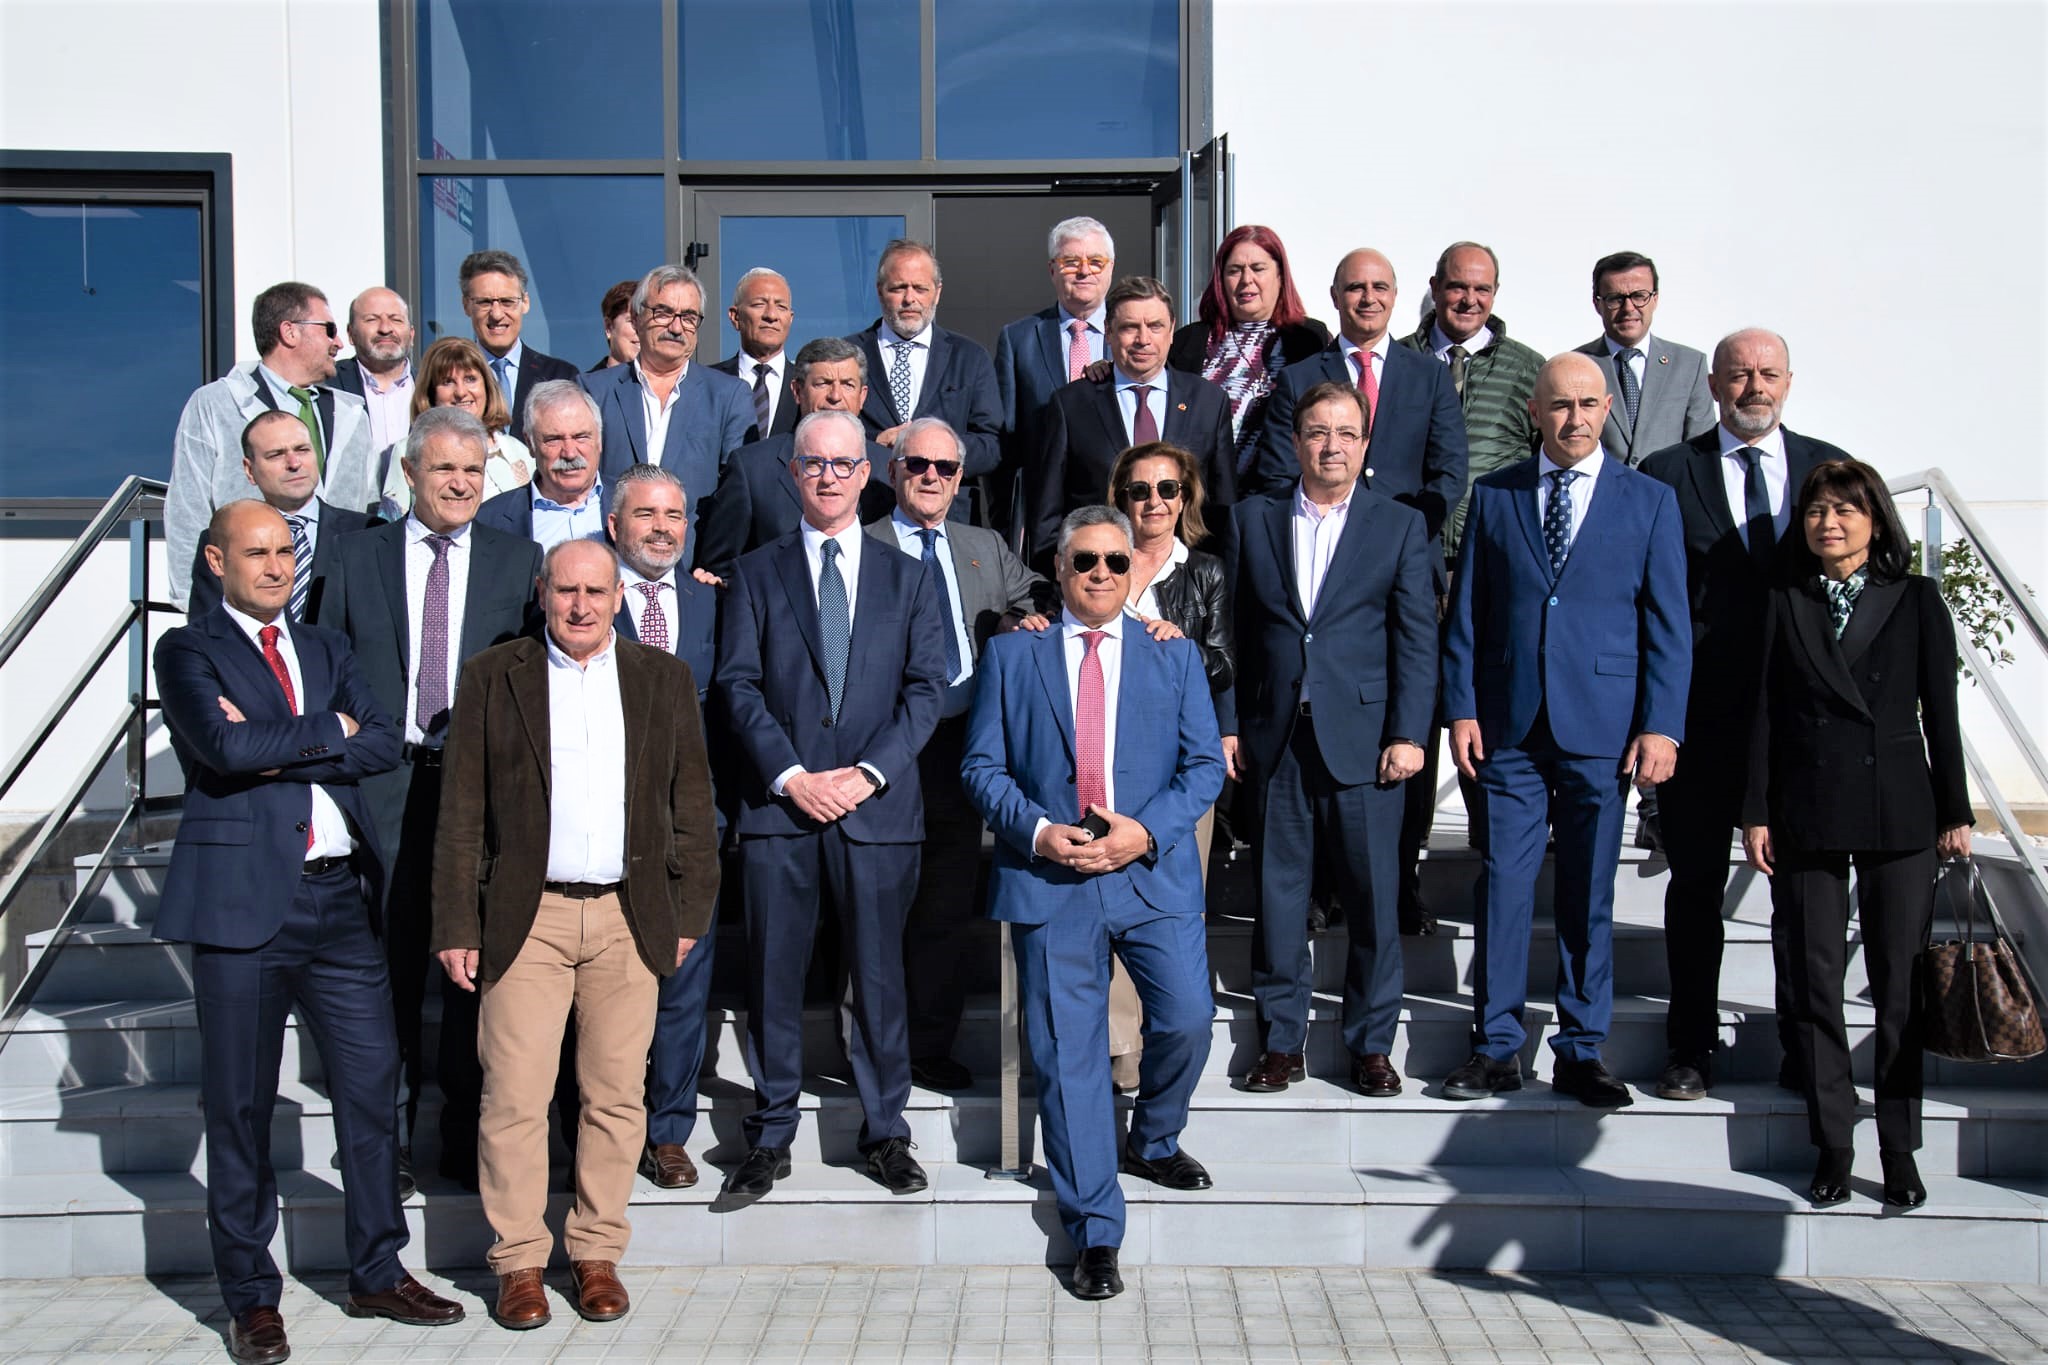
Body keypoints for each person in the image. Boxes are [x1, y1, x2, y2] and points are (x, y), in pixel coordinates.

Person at [156, 500, 463, 1364]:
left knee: (372, 1090)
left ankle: (378, 1270)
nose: (275, 566)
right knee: (241, 1107)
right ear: (216, 560)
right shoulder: (186, 650)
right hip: (242, 906)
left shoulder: (326, 647)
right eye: (255, 552)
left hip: (340, 905)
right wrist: (329, 730)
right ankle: (252, 1299)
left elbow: (382, 744)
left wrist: (277, 741)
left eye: (284, 553)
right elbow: (221, 748)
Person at [432, 538, 719, 1328]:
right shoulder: (494, 675)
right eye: (566, 590)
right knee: (514, 1096)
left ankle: (596, 1252)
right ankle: (519, 1262)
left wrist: (688, 913)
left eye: (596, 590)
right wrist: (457, 921)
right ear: (543, 593)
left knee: (616, 1096)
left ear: (619, 597)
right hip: (527, 917)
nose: (581, 605)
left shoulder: (663, 678)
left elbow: (692, 807)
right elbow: (460, 813)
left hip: (629, 916)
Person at [960, 505, 1225, 1301]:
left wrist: (1144, 833)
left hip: (1149, 875)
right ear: (1060, 568)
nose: (1101, 573)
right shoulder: (1014, 654)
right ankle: (1095, 1229)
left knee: (1188, 1016)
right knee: (1068, 1055)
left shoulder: (1173, 655)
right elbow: (981, 767)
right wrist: (1038, 832)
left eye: (1115, 560)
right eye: (1085, 561)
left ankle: (1154, 1137)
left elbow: (1204, 767)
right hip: (1053, 880)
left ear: (1133, 569)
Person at [1440, 353, 1689, 1109]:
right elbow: (1468, 613)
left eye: (1587, 404)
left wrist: (1661, 726)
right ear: (1534, 412)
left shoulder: (1648, 501)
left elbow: (1668, 625)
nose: (1575, 418)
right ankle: (1496, 1046)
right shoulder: (1496, 493)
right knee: (1504, 884)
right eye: (1559, 405)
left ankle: (1581, 1048)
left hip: (1603, 727)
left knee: (1587, 891)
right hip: (1509, 726)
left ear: (1607, 407)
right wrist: (1461, 707)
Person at [714, 409, 950, 1201]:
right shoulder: (755, 571)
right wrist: (790, 775)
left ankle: (885, 1131)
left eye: (844, 463)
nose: (828, 476)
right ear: (792, 472)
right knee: (773, 977)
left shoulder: (908, 577)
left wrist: (869, 773)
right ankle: (770, 1132)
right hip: (781, 810)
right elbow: (737, 684)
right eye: (813, 462)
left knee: (880, 980)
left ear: (867, 473)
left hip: (876, 812)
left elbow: (927, 689)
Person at [321, 407, 544, 1192]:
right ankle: (385, 1143)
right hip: (382, 784)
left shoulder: (519, 560)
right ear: (410, 472)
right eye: (444, 467)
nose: (459, 482)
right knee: (385, 970)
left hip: (476, 791)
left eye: (473, 470)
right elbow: (328, 664)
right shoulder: (355, 557)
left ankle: (460, 1137)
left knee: (469, 971)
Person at [1742, 460, 1969, 1211]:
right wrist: (1756, 810)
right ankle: (1833, 1144)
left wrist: (1956, 812)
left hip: (1898, 810)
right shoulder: (1786, 598)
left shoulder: (1917, 598)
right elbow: (1764, 711)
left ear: (1875, 520)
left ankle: (1899, 1149)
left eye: (1845, 509)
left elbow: (1942, 711)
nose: (1829, 522)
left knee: (1899, 987)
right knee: (1814, 985)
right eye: (1816, 510)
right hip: (1805, 806)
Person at [1638, 328, 1851, 1099]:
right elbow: (1647, 599)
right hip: (1700, 717)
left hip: (1802, 723)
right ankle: (1690, 1047)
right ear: (1714, 385)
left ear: (1788, 381)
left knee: (1802, 897)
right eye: (1738, 374)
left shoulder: (1829, 468)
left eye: (1767, 373)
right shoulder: (1668, 472)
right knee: (1695, 886)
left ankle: (1807, 1049)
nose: (1753, 386)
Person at [1223, 382, 1436, 1098]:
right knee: (1279, 897)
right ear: (1295, 442)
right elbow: (1233, 633)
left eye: (1346, 433)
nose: (1332, 446)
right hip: (1276, 738)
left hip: (1367, 744)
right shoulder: (1253, 519)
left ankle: (1372, 1045)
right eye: (1318, 432)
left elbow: (1416, 640)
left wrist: (1408, 732)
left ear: (1365, 443)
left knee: (1373, 899)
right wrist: (1229, 724)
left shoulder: (1398, 525)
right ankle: (1281, 1043)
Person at [864, 417, 1052, 1091]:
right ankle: (874, 1051)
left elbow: (1040, 594)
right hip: (885, 746)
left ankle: (928, 1045)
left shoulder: (984, 545)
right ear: (893, 471)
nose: (931, 477)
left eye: (945, 468)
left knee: (944, 905)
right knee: (880, 907)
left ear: (961, 478)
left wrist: (1021, 620)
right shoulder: (862, 543)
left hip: (962, 742)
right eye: (918, 464)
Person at [1394, 241, 1544, 927]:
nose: (1469, 300)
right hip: (1413, 570)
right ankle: (1402, 879)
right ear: (1435, 287)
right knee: (1412, 728)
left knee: (1489, 726)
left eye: (1483, 290)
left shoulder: (1526, 369)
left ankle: (1498, 875)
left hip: (1491, 577)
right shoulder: (1400, 360)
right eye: (1458, 287)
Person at [604, 463, 723, 1191]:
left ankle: (669, 1131)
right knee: (607, 987)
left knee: (684, 980)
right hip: (606, 820)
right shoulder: (587, 595)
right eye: (645, 514)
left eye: (674, 515)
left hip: (692, 822)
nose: (661, 529)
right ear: (614, 524)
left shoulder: (715, 602)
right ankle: (603, 1126)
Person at [1108, 439, 1233, 1089]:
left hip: (1179, 762)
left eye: (1167, 489)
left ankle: (1171, 1040)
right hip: (1102, 755)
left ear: (1185, 499)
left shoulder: (1204, 570)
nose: (1153, 501)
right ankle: (1119, 1046)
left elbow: (1226, 660)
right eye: (1139, 490)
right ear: (1120, 498)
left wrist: (1181, 645)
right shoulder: (1098, 558)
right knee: (1110, 897)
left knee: (1173, 902)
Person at [167, 281, 379, 608]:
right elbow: (188, 508)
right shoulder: (216, 403)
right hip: (245, 602)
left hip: (335, 605)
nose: (338, 343)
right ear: (289, 332)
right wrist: (194, 603)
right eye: (329, 329)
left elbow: (366, 506)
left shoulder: (352, 413)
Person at [1248, 249, 1469, 546]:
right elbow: (1279, 473)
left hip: (1408, 550)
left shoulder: (1431, 376)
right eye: (1356, 288)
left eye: (1379, 287)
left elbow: (1450, 471)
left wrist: (1409, 533)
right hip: (1322, 547)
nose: (1369, 298)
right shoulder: (1298, 379)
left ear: (1394, 295)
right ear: (1335, 296)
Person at [1030, 275, 1235, 565]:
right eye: (1130, 327)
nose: (1143, 339)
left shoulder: (1209, 402)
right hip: (1099, 575)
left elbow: (1224, 507)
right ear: (1108, 331)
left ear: (1172, 330)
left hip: (1186, 577)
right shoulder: (1070, 405)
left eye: (1155, 326)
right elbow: (1047, 514)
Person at [583, 263, 755, 566]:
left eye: (688, 317)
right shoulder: (594, 391)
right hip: (606, 567)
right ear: (636, 317)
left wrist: (714, 567)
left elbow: (736, 499)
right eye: (663, 313)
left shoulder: (728, 396)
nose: (676, 328)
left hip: (691, 571)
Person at [690, 336, 894, 583]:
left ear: (863, 396)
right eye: (822, 383)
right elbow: (719, 571)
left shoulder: (888, 468)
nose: (835, 396)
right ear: (797, 391)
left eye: (847, 384)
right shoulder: (751, 469)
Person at [847, 238, 1002, 518]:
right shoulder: (848, 356)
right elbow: (829, 432)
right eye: (898, 288)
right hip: (869, 513)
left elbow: (991, 446)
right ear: (880, 291)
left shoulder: (970, 357)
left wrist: (933, 449)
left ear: (937, 292)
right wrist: (875, 445)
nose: (910, 299)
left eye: (920, 288)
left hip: (949, 518)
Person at [1168, 224, 1330, 479]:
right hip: (1206, 492)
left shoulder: (1309, 339)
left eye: (1258, 268)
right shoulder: (1188, 342)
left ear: (1280, 275)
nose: (1246, 280)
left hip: (1281, 490)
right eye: (1235, 270)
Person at [992, 217, 1118, 535]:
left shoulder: (1131, 338)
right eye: (1071, 262)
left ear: (1111, 268)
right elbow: (1006, 442)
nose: (1084, 271)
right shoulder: (1018, 339)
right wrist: (1005, 523)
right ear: (1052, 269)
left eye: (1096, 261)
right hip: (1044, 517)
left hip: (1116, 510)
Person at [187, 411, 375, 623]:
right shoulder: (221, 538)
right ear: (249, 470)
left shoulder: (368, 532)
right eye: (276, 455)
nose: (294, 463)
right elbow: (207, 629)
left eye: (302, 450)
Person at [1574, 251, 1715, 467]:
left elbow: (1700, 450)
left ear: (1655, 299)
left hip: (1667, 487)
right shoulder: (1576, 365)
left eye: (1639, 296)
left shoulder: (1690, 365)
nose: (1628, 308)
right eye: (1615, 298)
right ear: (1597, 304)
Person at [381, 337, 533, 518]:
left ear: (486, 386)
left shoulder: (517, 451)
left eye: (470, 379)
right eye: (447, 382)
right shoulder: (406, 450)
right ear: (430, 392)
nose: (461, 392)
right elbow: (391, 523)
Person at [460, 249, 582, 443]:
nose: (497, 314)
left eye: (507, 302)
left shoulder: (560, 376)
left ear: (525, 303)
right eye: (485, 302)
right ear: (466, 305)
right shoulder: (449, 380)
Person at [474, 380, 609, 549]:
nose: (569, 453)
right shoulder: (489, 521)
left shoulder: (631, 504)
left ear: (599, 439)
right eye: (554, 439)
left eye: (580, 437)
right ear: (530, 444)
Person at [710, 268, 799, 438]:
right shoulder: (707, 383)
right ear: (735, 317)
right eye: (759, 304)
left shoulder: (808, 385)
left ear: (790, 319)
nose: (771, 315)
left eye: (781, 306)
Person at [332, 287, 416, 455]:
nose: (385, 329)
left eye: (396, 320)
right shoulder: (328, 384)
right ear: (351, 334)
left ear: (411, 334)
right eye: (372, 319)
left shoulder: (433, 387)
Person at [590, 280, 639, 372]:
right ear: (609, 327)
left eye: (646, 322)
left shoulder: (667, 379)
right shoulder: (586, 381)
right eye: (632, 321)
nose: (641, 330)